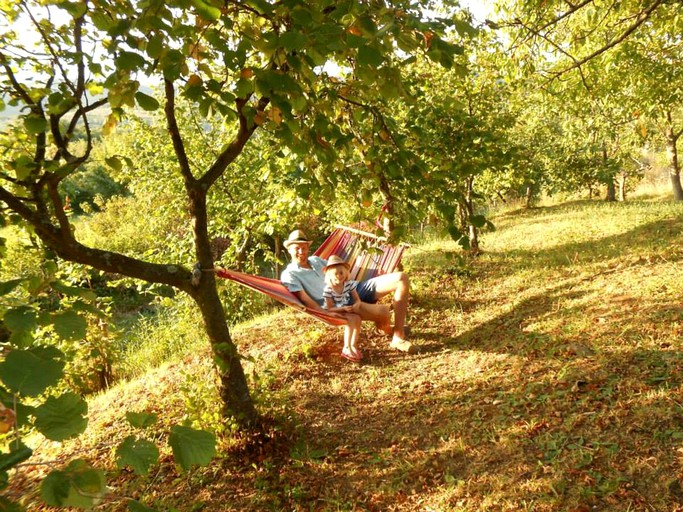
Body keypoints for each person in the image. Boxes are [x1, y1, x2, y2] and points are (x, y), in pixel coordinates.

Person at [280, 229, 414, 353]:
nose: (301, 252)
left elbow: (338, 268)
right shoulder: (289, 274)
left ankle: (397, 335)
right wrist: (326, 313)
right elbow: (305, 299)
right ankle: (387, 328)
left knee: (401, 278)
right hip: (340, 303)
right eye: (297, 248)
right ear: (289, 250)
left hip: (355, 288)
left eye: (304, 247)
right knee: (384, 313)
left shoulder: (316, 260)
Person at [321, 255, 364, 361]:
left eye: (341, 273)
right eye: (336, 274)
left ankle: (353, 345)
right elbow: (329, 308)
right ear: (330, 275)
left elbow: (357, 299)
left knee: (357, 318)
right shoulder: (328, 289)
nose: (339, 276)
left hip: (345, 308)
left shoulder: (348, 284)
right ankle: (346, 347)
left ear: (345, 273)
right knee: (350, 320)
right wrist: (344, 309)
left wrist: (357, 304)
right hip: (333, 311)